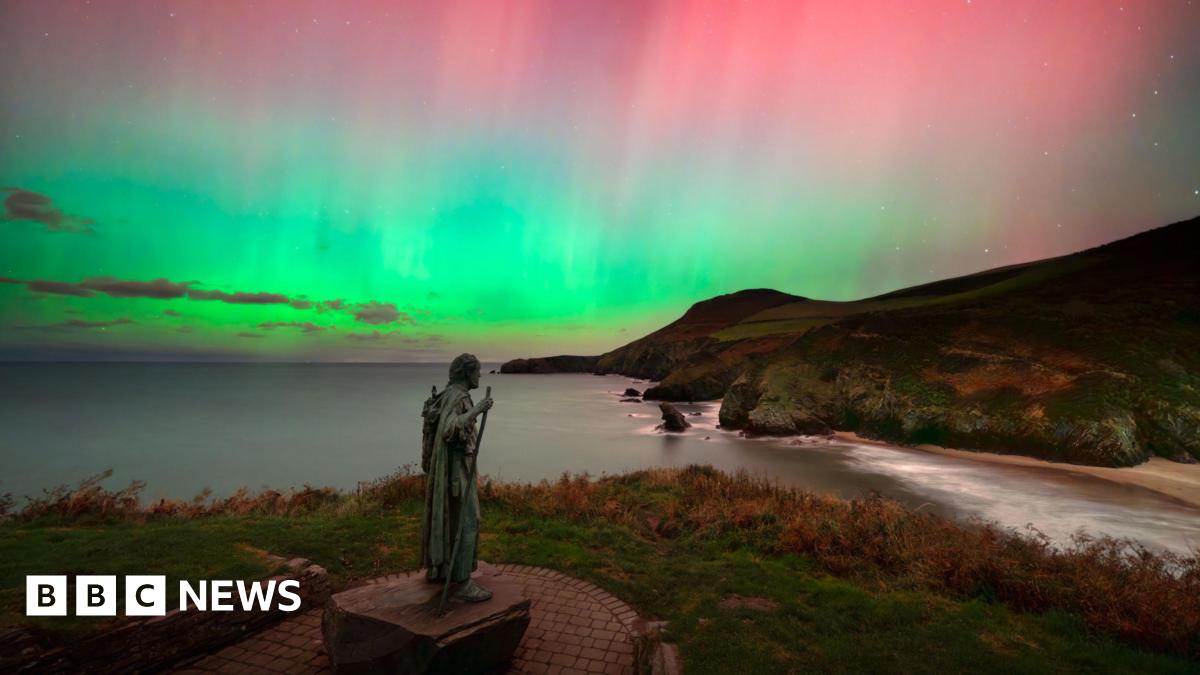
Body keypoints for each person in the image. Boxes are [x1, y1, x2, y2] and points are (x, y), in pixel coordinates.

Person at [420, 353, 494, 602]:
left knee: (451, 519)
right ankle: (463, 583)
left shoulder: (448, 394)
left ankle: (442, 570)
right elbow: (449, 429)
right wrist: (477, 409)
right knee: (469, 520)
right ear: (467, 373)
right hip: (457, 471)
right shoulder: (460, 397)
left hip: (452, 468)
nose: (480, 375)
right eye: (477, 371)